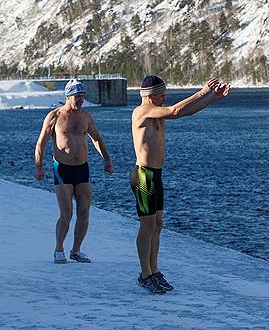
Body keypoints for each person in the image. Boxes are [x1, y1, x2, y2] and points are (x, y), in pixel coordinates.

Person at [131, 75, 230, 294]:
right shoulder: (142, 111)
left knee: (157, 224)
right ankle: (145, 273)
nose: (165, 98)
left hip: (155, 174)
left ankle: (154, 270)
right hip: (143, 175)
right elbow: (176, 110)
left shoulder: (158, 112)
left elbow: (185, 112)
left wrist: (213, 97)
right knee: (147, 225)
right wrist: (203, 91)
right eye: (161, 94)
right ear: (149, 95)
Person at [34, 79, 114, 264]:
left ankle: (76, 250)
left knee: (84, 211)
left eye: (83, 97)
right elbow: (41, 144)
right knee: (66, 213)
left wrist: (107, 160)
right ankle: (59, 249)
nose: (81, 100)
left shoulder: (86, 117)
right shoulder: (54, 116)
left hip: (82, 169)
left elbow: (97, 139)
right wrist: (39, 167)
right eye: (77, 97)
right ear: (68, 96)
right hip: (62, 169)